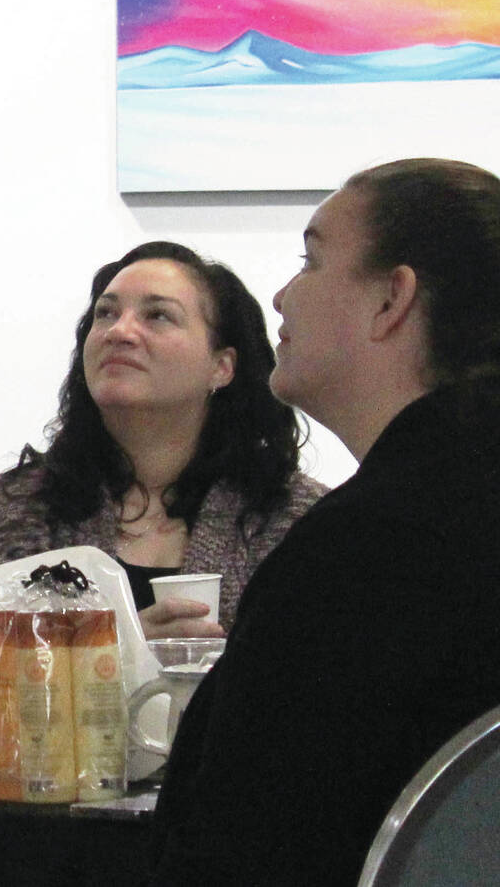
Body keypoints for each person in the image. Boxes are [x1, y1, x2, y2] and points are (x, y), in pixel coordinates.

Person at [151, 159, 500, 887]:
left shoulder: (366, 554)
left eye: (310, 260)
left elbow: (234, 845)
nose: (281, 295)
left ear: (391, 300)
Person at [0, 241, 323, 635]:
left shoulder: (299, 523)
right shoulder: (13, 513)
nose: (120, 331)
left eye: (158, 316)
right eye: (106, 313)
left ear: (221, 367)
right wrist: (120, 651)